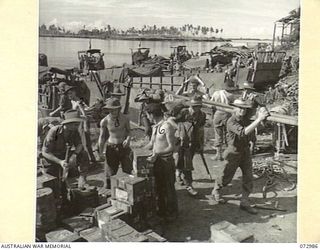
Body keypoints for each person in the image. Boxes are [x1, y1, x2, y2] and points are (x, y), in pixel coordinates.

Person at [210, 99, 269, 214]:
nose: (243, 110)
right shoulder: (231, 121)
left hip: (245, 151)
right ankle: (216, 190)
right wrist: (259, 119)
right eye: (240, 108)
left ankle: (245, 202)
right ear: (234, 108)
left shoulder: (246, 120)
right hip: (233, 151)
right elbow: (243, 132)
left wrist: (253, 141)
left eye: (244, 108)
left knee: (248, 177)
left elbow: (252, 131)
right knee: (226, 175)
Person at [144, 103, 178, 221]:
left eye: (148, 115)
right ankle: (162, 211)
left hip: (166, 161)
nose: (147, 117)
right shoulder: (155, 127)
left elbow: (171, 147)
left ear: (152, 114)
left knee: (169, 188)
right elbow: (152, 144)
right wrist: (139, 151)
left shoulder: (167, 126)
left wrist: (157, 153)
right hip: (157, 161)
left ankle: (172, 213)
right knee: (159, 187)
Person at [42, 110, 89, 190]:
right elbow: (45, 152)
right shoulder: (54, 131)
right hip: (52, 158)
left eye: (77, 124)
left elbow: (79, 145)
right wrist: (60, 162)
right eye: (75, 124)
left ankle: (82, 179)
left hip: (64, 155)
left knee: (83, 154)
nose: (77, 126)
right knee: (54, 185)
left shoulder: (74, 131)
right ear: (67, 123)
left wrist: (74, 155)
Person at [98, 98, 133, 189]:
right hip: (111, 147)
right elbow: (101, 137)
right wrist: (100, 151)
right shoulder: (105, 121)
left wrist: (128, 139)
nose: (112, 111)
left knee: (128, 170)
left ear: (119, 109)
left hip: (124, 147)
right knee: (110, 172)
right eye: (110, 109)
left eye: (114, 109)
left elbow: (129, 131)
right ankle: (110, 191)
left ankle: (127, 190)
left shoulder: (125, 118)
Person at [175, 96, 206, 196]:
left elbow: (201, 130)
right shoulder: (183, 112)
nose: (194, 109)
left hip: (192, 142)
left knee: (187, 162)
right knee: (181, 160)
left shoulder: (202, 115)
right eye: (193, 106)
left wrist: (201, 144)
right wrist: (180, 131)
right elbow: (172, 121)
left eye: (197, 107)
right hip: (180, 141)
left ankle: (185, 181)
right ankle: (182, 178)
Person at [65, 85, 96, 164]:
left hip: (82, 124)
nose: (69, 95)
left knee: (85, 142)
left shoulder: (79, 102)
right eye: (68, 94)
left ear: (75, 93)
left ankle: (90, 159)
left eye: (71, 93)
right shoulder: (72, 101)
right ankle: (86, 158)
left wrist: (77, 116)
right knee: (79, 142)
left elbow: (84, 115)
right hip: (77, 124)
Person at [210, 80, 237, 161]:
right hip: (228, 115)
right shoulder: (232, 96)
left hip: (218, 114)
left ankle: (218, 154)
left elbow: (212, 105)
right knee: (228, 134)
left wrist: (213, 114)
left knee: (218, 134)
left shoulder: (216, 93)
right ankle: (228, 154)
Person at [241, 81, 265, 154]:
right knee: (244, 133)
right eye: (244, 89)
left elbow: (262, 104)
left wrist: (262, 113)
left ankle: (252, 149)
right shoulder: (243, 95)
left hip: (251, 117)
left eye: (247, 89)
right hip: (244, 116)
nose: (245, 90)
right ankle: (246, 149)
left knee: (251, 134)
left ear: (251, 89)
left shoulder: (254, 96)